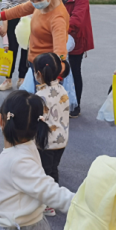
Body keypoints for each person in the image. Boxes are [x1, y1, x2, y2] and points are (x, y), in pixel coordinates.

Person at [0, 90, 75, 230]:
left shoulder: (17, 160)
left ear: (1, 120)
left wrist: (82, 204)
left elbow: (49, 190)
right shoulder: (25, 148)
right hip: (17, 225)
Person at [0, 0, 70, 71]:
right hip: (34, 61)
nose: (35, 3)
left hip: (46, 69)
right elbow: (19, 10)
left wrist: (54, 76)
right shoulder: (43, 2)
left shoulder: (57, 19)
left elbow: (60, 53)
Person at [32, 52, 71, 218]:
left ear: (39, 74)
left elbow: (38, 120)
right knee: (53, 169)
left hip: (46, 141)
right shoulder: (62, 90)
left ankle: (47, 203)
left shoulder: (40, 96)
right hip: (61, 140)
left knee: (44, 171)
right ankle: (53, 198)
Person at [57, 0, 93, 118]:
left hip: (76, 38)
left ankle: (75, 104)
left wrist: (59, 30)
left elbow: (77, 20)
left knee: (74, 70)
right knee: (59, 69)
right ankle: (60, 101)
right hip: (61, 37)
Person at [0, 0, 33, 91]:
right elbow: (5, 4)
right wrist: (5, 23)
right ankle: (8, 79)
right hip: (13, 19)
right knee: (11, 49)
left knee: (26, 49)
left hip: (30, 19)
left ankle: (22, 78)